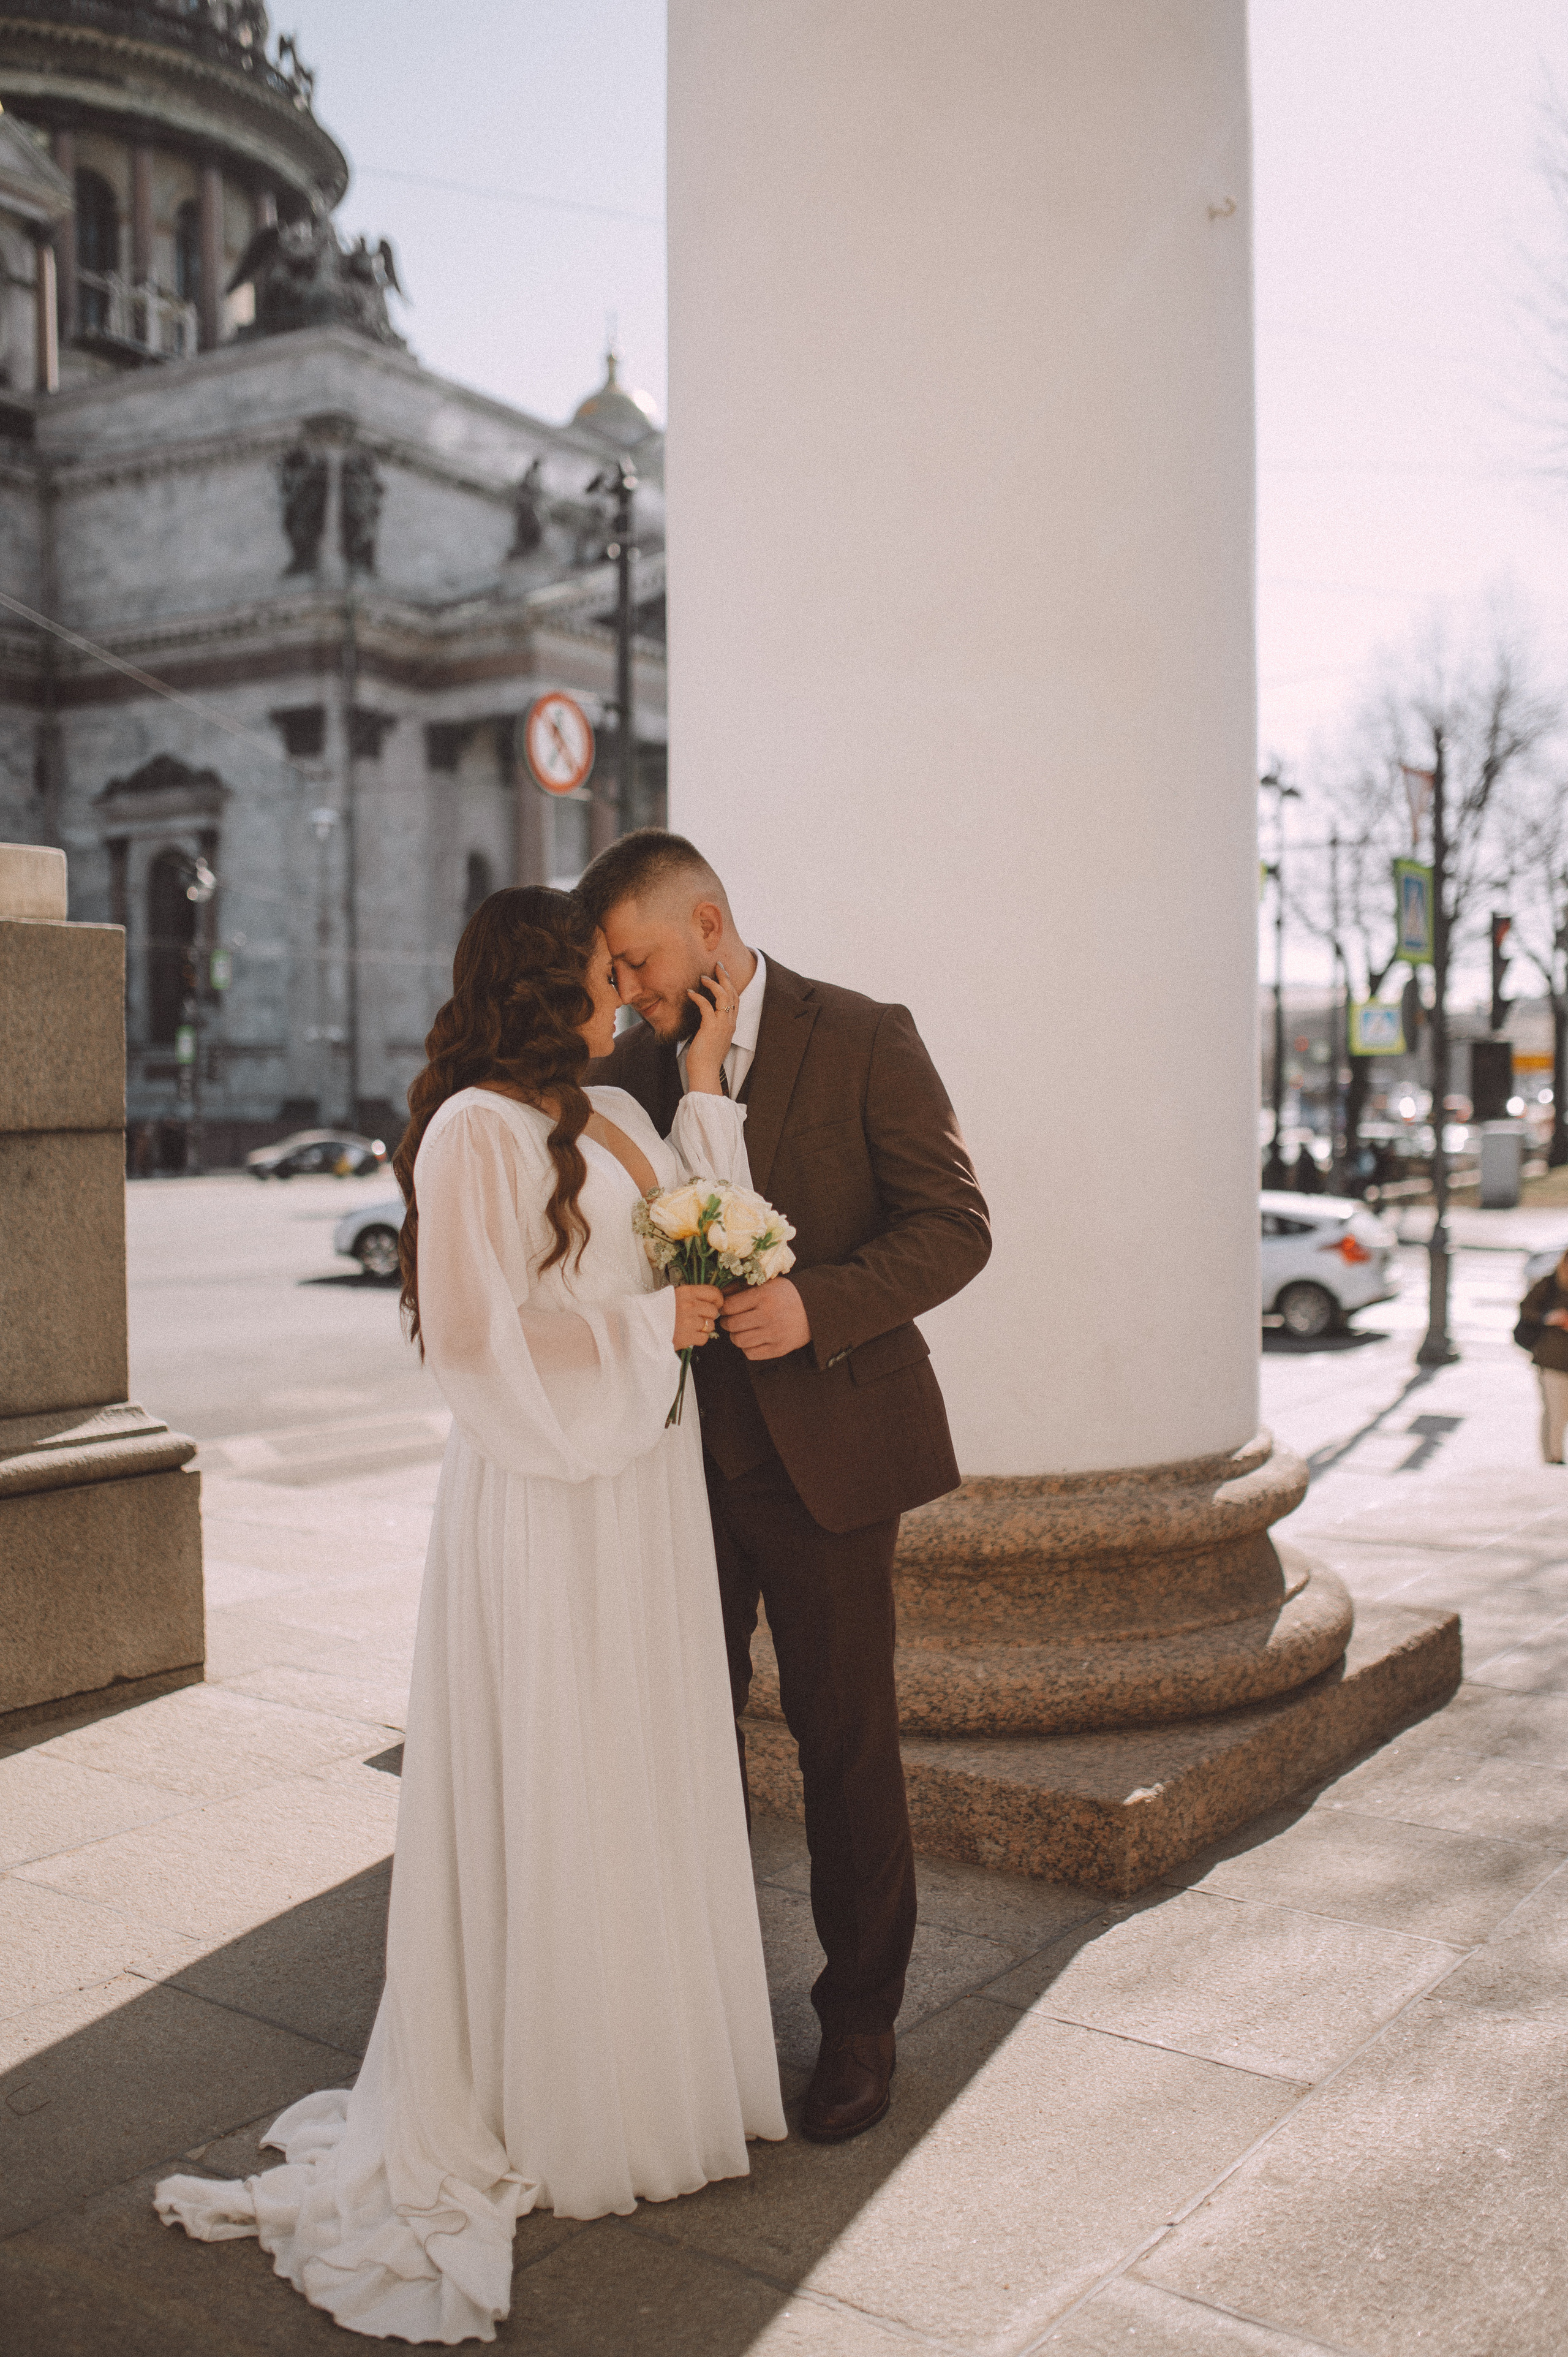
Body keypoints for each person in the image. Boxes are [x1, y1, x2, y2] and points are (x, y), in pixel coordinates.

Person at [154, 887, 786, 2343]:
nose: (622, 992)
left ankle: (644, 2063)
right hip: (544, 1489)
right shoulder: (471, 1131)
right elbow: (474, 1332)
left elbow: (694, 1222)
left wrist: (701, 1093)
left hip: (637, 1486)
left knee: (635, 1764)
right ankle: (548, 2084)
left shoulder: (611, 1110)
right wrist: (652, 1327)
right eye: (598, 973)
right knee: (557, 1762)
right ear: (534, 983)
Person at [579, 830, 991, 2147]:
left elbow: (952, 1228)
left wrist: (813, 1305)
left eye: (638, 962)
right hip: (670, 1464)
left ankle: (858, 2021)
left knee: (843, 1745)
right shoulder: (629, 1072)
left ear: (706, 925)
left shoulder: (866, 1034)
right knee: (674, 1737)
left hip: (827, 1460)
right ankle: (682, 2011)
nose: (632, 992)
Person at [1515, 1249, 1568, 1464]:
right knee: (1556, 1411)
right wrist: (1550, 1318)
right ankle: (1553, 1457)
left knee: (1558, 1410)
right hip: (1552, 1357)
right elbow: (1527, 1309)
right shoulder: (1550, 1285)